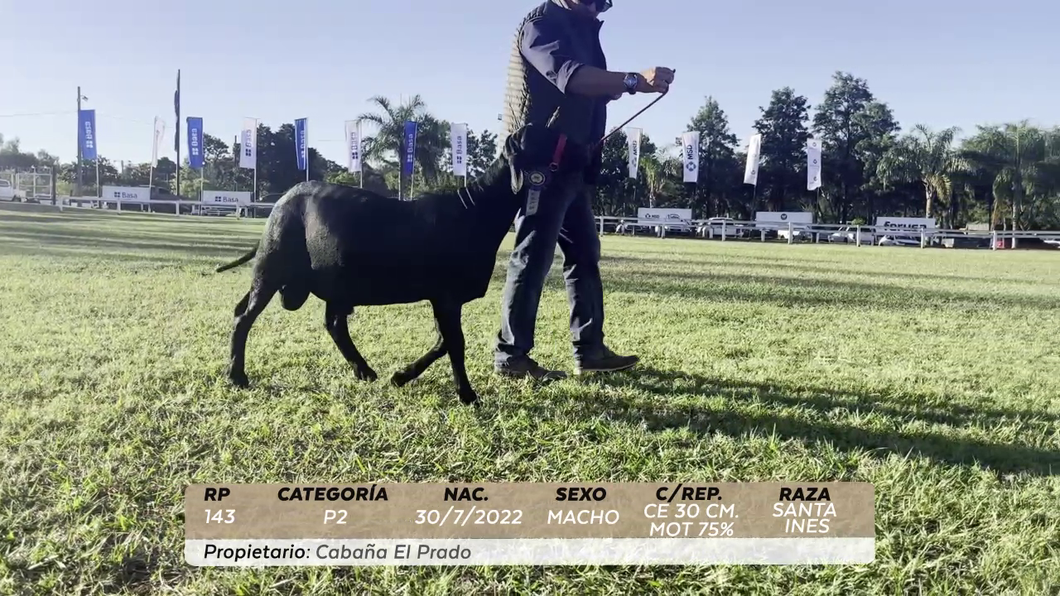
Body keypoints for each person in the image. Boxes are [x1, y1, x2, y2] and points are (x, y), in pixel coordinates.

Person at [494, 0, 675, 381]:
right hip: (542, 162)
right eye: (593, 1)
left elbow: (590, 88)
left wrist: (621, 86)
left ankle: (590, 351)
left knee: (585, 254)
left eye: (603, 3)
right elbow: (571, 78)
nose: (597, 8)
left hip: (573, 162)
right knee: (533, 256)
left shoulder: (581, 28)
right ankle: (511, 357)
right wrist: (632, 80)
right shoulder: (541, 24)